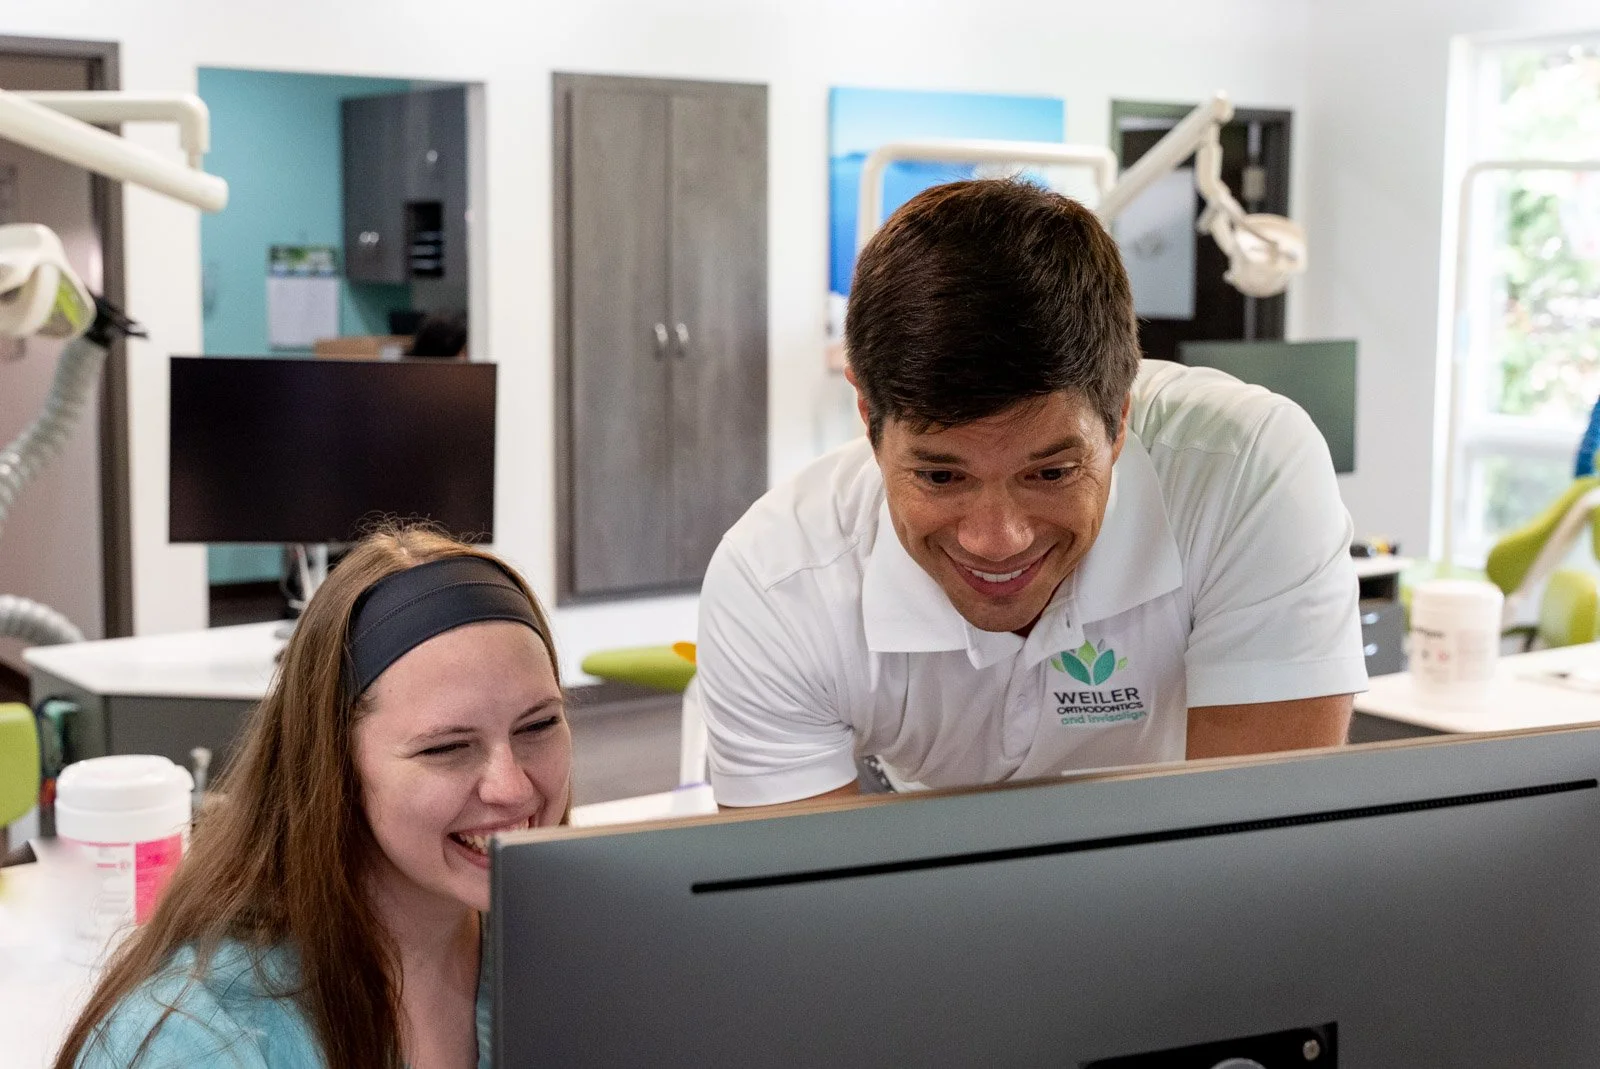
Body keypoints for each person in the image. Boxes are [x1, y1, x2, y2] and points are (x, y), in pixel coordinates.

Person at [696, 179, 1366, 808]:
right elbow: (810, 915)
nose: (998, 538)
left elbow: (1255, 855)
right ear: (868, 421)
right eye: (941, 476)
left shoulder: (1245, 476)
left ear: (1119, 420)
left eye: (1049, 473)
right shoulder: (776, 582)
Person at [54, 524, 571, 1069]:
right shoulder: (198, 1043)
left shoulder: (573, 949)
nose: (512, 787)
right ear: (335, 765)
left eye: (537, 726)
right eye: (447, 748)